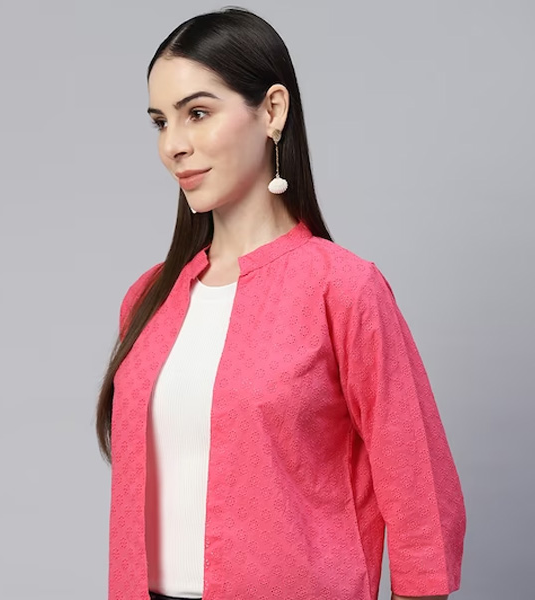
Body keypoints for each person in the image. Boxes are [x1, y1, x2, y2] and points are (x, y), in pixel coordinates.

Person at [96, 7, 466, 600]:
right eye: (160, 122)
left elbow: (420, 492)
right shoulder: (149, 297)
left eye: (197, 113)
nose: (173, 145)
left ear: (272, 110)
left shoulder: (343, 288)